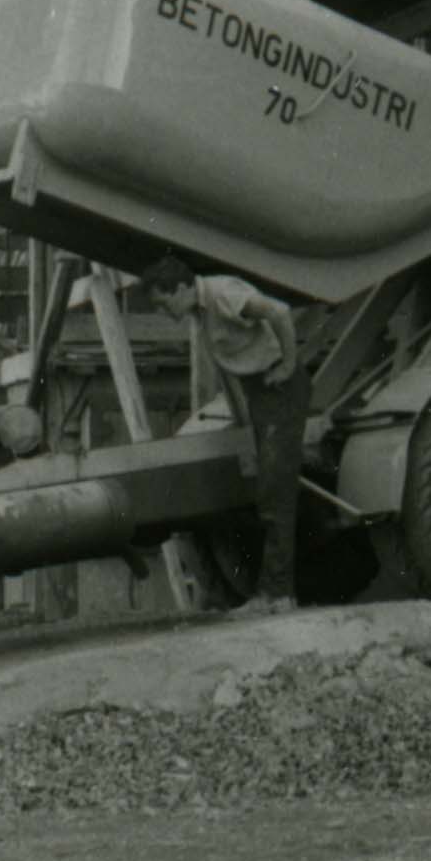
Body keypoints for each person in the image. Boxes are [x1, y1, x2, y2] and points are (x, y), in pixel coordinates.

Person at [137, 254, 308, 612]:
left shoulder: (223, 293)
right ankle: (278, 592)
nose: (164, 312)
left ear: (182, 288)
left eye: (164, 302)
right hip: (259, 391)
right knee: (269, 491)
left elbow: (278, 312)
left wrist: (289, 366)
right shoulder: (200, 309)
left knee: (275, 490)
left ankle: (278, 594)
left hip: (278, 387)